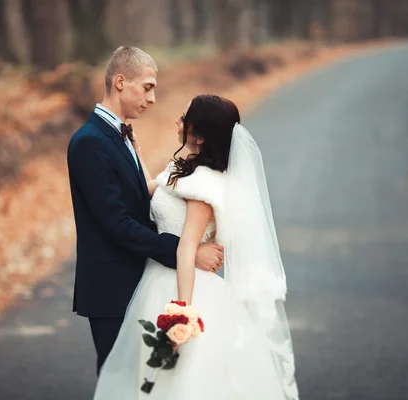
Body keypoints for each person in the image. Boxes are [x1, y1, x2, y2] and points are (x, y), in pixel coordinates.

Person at [93, 94, 299, 399]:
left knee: (185, 382)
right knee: (153, 383)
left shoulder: (205, 184)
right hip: (157, 280)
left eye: (183, 118)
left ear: (199, 135)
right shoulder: (184, 168)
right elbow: (148, 190)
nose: (177, 121)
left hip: (183, 288)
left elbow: (187, 247)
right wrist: (134, 149)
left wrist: (181, 313)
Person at [66, 46, 224, 375]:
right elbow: (116, 223)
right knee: (120, 385)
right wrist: (187, 251)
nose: (152, 98)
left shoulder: (120, 135)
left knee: (149, 384)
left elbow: (143, 204)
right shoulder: (90, 142)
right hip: (112, 288)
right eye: (148, 87)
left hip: (141, 283)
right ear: (120, 81)